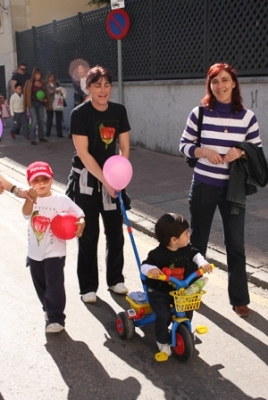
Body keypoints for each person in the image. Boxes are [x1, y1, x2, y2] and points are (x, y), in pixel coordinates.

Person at [179, 62, 265, 318]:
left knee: (236, 244)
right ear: (210, 85)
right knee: (197, 242)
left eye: (225, 80)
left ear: (234, 83)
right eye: (215, 82)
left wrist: (241, 151)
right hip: (204, 184)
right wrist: (203, 151)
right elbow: (184, 145)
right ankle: (191, 290)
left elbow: (256, 151)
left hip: (233, 189)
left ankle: (239, 298)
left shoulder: (247, 117)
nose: (220, 86)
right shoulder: (199, 113)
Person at [66, 65, 131, 304]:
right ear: (89, 88)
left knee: (115, 233)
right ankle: (88, 287)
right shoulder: (80, 114)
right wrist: (107, 180)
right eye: (97, 85)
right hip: (87, 181)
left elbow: (124, 147)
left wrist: (120, 175)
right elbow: (83, 154)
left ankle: (115, 279)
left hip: (113, 180)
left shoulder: (119, 111)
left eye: (106, 85)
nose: (103, 90)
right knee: (88, 234)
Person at [22, 161, 85, 333]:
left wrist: (81, 222)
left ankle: (57, 318)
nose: (41, 184)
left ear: (52, 179)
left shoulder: (61, 200)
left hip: (55, 252)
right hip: (35, 252)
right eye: (36, 180)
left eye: (45, 179)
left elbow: (79, 213)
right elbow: (26, 213)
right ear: (29, 183)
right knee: (40, 284)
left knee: (55, 284)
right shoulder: (30, 199)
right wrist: (30, 198)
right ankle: (47, 308)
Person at [141, 213, 212, 358]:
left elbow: (196, 255)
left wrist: (202, 263)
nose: (189, 235)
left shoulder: (186, 248)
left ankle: (184, 329)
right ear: (174, 240)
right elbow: (144, 266)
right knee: (163, 315)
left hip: (180, 289)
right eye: (186, 233)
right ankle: (162, 340)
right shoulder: (157, 254)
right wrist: (151, 270)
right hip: (159, 291)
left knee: (188, 307)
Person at [24, 67, 51, 145]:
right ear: (34, 74)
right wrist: (25, 106)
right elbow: (27, 95)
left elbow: (45, 93)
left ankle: (41, 137)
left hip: (40, 104)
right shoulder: (29, 82)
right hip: (32, 103)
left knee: (41, 121)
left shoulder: (43, 83)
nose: (38, 76)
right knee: (34, 120)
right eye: (37, 74)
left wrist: (45, 99)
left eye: (39, 74)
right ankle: (32, 139)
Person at [45, 72, 67, 138]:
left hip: (58, 102)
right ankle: (48, 132)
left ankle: (59, 133)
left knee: (58, 119)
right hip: (50, 103)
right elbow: (46, 93)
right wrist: (52, 92)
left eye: (53, 77)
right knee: (49, 118)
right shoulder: (46, 85)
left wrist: (59, 91)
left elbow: (62, 91)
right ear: (48, 78)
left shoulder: (57, 83)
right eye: (50, 77)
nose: (51, 79)